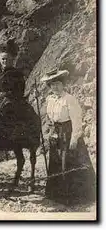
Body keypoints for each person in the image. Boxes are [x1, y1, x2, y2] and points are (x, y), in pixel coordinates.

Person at [41, 69, 96, 205]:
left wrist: (74, 139)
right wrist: (49, 131)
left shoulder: (69, 99)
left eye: (58, 84)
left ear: (63, 84)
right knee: (56, 162)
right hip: (56, 133)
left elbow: (77, 120)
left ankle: (74, 197)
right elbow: (49, 117)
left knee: (69, 162)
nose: (55, 87)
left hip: (68, 133)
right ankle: (56, 194)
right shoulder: (50, 99)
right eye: (52, 84)